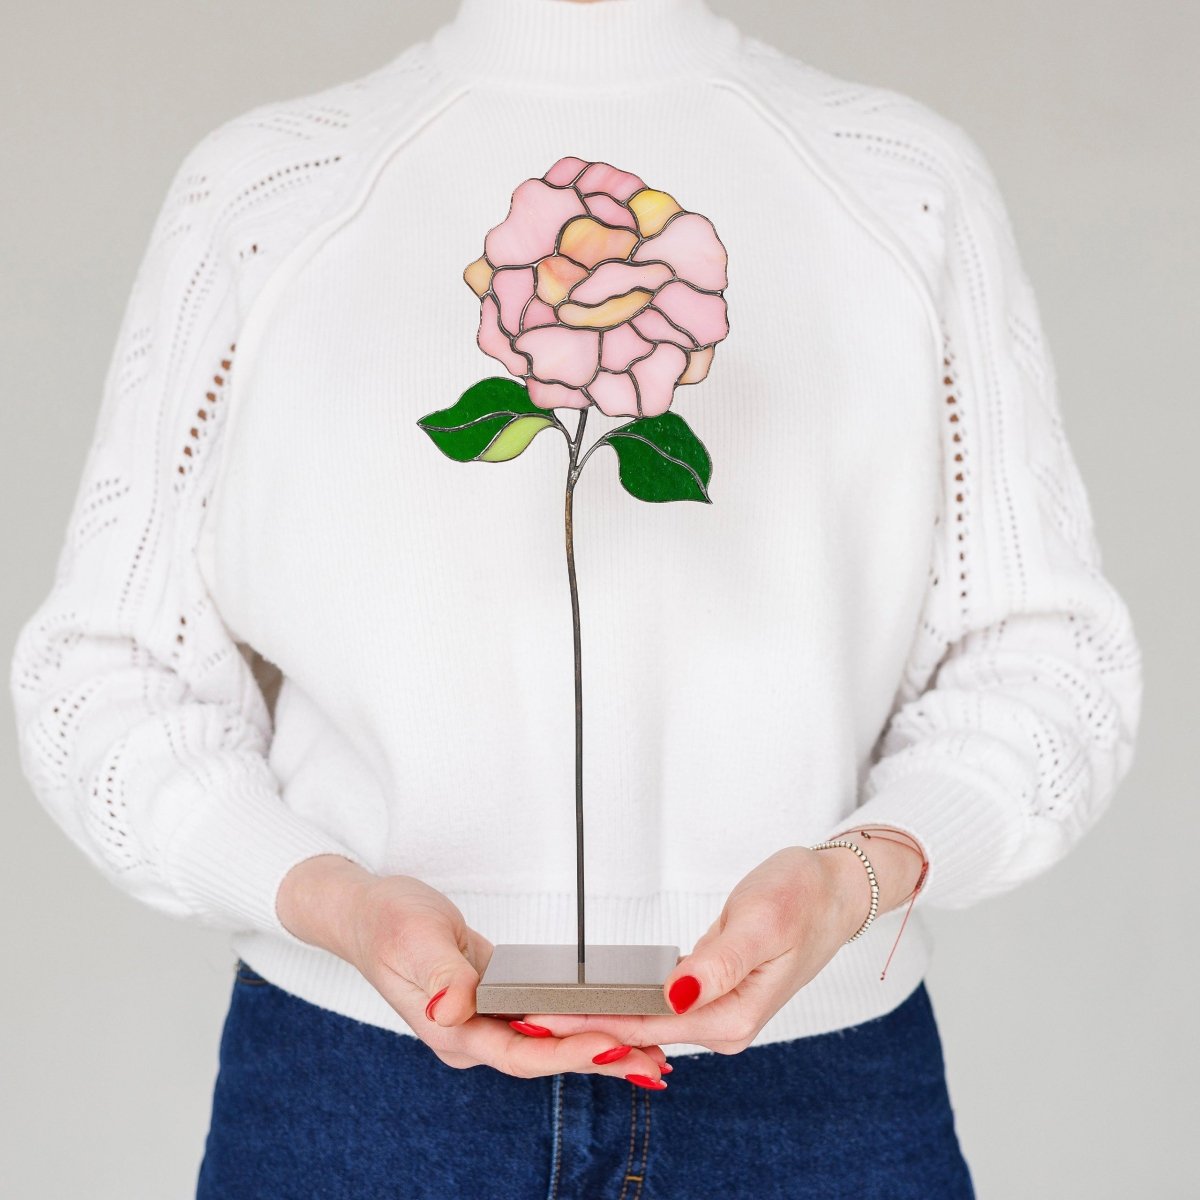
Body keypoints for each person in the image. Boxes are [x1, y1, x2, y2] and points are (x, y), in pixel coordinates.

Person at [10, 0, 1143, 1196]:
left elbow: (1044, 661)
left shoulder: (906, 189)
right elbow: (106, 676)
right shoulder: (265, 197)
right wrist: (335, 905)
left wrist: (851, 881)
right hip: (360, 1097)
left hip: (818, 1097)